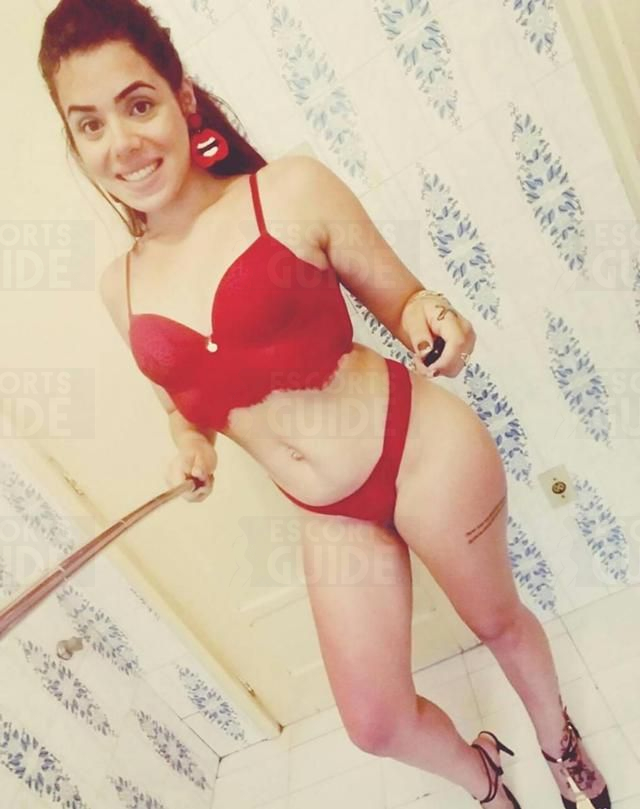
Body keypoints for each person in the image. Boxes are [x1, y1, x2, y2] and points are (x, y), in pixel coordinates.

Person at [38, 1, 610, 806]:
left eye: (138, 104)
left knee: (497, 621)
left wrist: (438, 321)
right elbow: (182, 404)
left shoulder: (287, 191)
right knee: (374, 720)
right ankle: (485, 777)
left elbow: (407, 302)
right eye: (90, 124)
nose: (122, 143)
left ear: (182, 99)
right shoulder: (120, 288)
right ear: (76, 141)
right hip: (332, 512)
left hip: (419, 452)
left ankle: (560, 744)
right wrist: (190, 446)